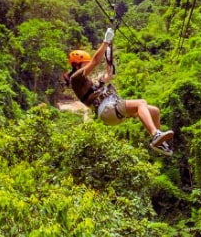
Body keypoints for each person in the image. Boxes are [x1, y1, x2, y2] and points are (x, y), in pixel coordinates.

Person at [65, 28, 174, 156]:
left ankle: (159, 141)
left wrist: (109, 61)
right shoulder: (76, 79)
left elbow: (107, 76)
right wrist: (106, 42)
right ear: (77, 65)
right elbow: (95, 61)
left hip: (111, 110)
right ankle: (155, 135)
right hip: (107, 109)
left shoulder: (89, 83)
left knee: (154, 111)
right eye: (85, 63)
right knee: (141, 103)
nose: (87, 66)